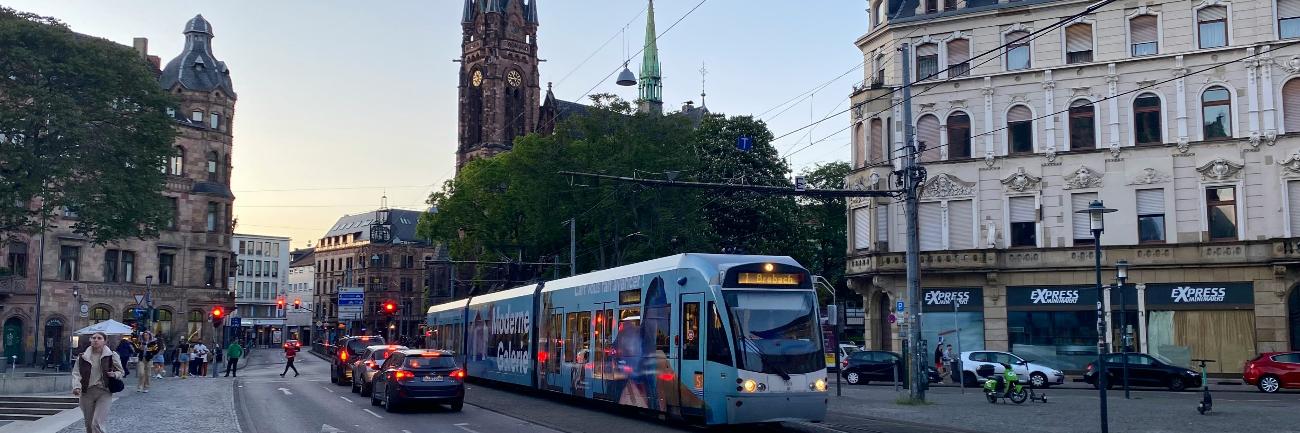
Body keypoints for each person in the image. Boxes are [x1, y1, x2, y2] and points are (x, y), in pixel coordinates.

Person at [71, 332, 124, 433]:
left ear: (105, 341)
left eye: (99, 338)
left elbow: (121, 372)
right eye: (93, 338)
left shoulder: (111, 355)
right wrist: (76, 386)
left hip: (104, 392)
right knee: (89, 425)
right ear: (90, 340)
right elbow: (76, 373)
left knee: (97, 423)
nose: (96, 340)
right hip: (87, 393)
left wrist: (115, 374)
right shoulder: (82, 357)